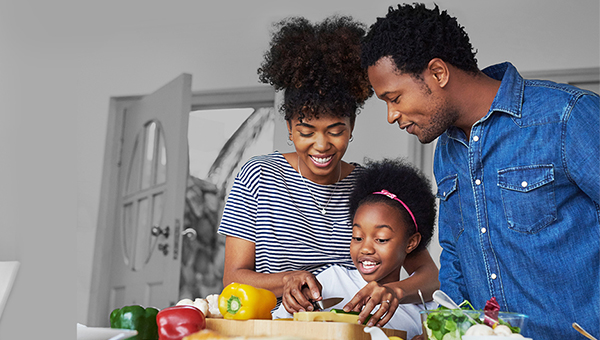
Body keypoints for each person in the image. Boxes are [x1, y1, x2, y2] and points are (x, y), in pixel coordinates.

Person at [360, 3, 600, 339]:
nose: (391, 115)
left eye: (395, 97)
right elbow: (457, 261)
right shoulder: (446, 149)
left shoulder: (566, 117)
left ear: (438, 73)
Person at [218, 15, 440, 327]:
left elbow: (429, 277)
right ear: (289, 129)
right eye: (306, 132)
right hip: (276, 327)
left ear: (351, 127)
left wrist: (391, 291)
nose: (321, 145)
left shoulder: (370, 188)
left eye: (335, 131)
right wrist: (287, 282)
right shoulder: (257, 176)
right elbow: (233, 279)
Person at [272, 158, 437, 339]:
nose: (365, 248)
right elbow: (277, 327)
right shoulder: (331, 281)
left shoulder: (422, 308)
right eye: (357, 237)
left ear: (411, 243)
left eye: (381, 239)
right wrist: (295, 302)